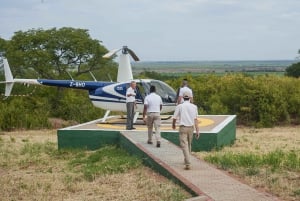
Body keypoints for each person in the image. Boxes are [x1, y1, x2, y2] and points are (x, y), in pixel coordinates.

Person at [172, 91, 200, 170]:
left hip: (183, 127)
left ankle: (188, 163)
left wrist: (173, 125)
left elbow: (174, 117)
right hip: (191, 127)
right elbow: (196, 120)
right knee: (189, 144)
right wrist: (197, 131)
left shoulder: (180, 106)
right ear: (190, 98)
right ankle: (187, 159)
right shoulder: (194, 107)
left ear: (183, 98)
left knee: (184, 145)